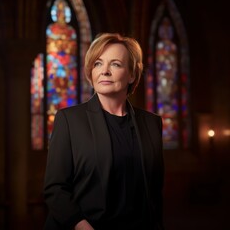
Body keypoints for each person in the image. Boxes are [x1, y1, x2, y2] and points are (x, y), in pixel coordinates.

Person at [43, 33, 164, 230]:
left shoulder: (152, 123)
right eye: (98, 63)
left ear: (132, 74)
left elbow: (154, 193)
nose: (104, 71)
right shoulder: (69, 120)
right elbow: (55, 189)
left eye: (115, 64)